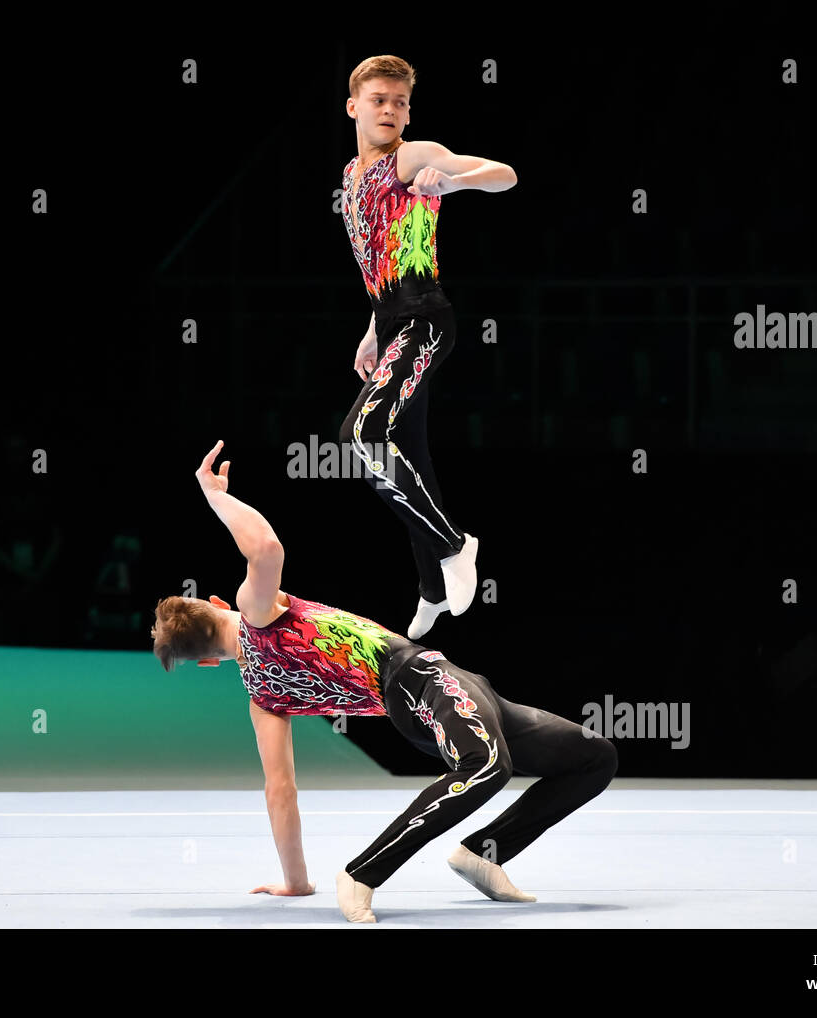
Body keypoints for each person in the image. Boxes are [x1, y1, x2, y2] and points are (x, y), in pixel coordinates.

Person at [150, 441, 617, 923]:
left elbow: (280, 790)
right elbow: (266, 546)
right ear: (219, 603)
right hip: (417, 681)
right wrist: (215, 496)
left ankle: (485, 854)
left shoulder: (262, 700)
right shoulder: (254, 610)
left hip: (433, 686)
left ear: (205, 664)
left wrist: (294, 881)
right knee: (486, 766)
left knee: (593, 757)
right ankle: (362, 873)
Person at [339, 55, 518, 639]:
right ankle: (432, 587)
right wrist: (372, 328)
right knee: (409, 451)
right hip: (392, 324)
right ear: (354, 107)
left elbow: (505, 173)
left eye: (400, 102)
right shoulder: (349, 176)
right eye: (379, 100)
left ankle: (453, 546)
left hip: (425, 322)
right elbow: (375, 256)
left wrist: (455, 180)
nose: (390, 110)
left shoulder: (412, 157)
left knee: (362, 436)